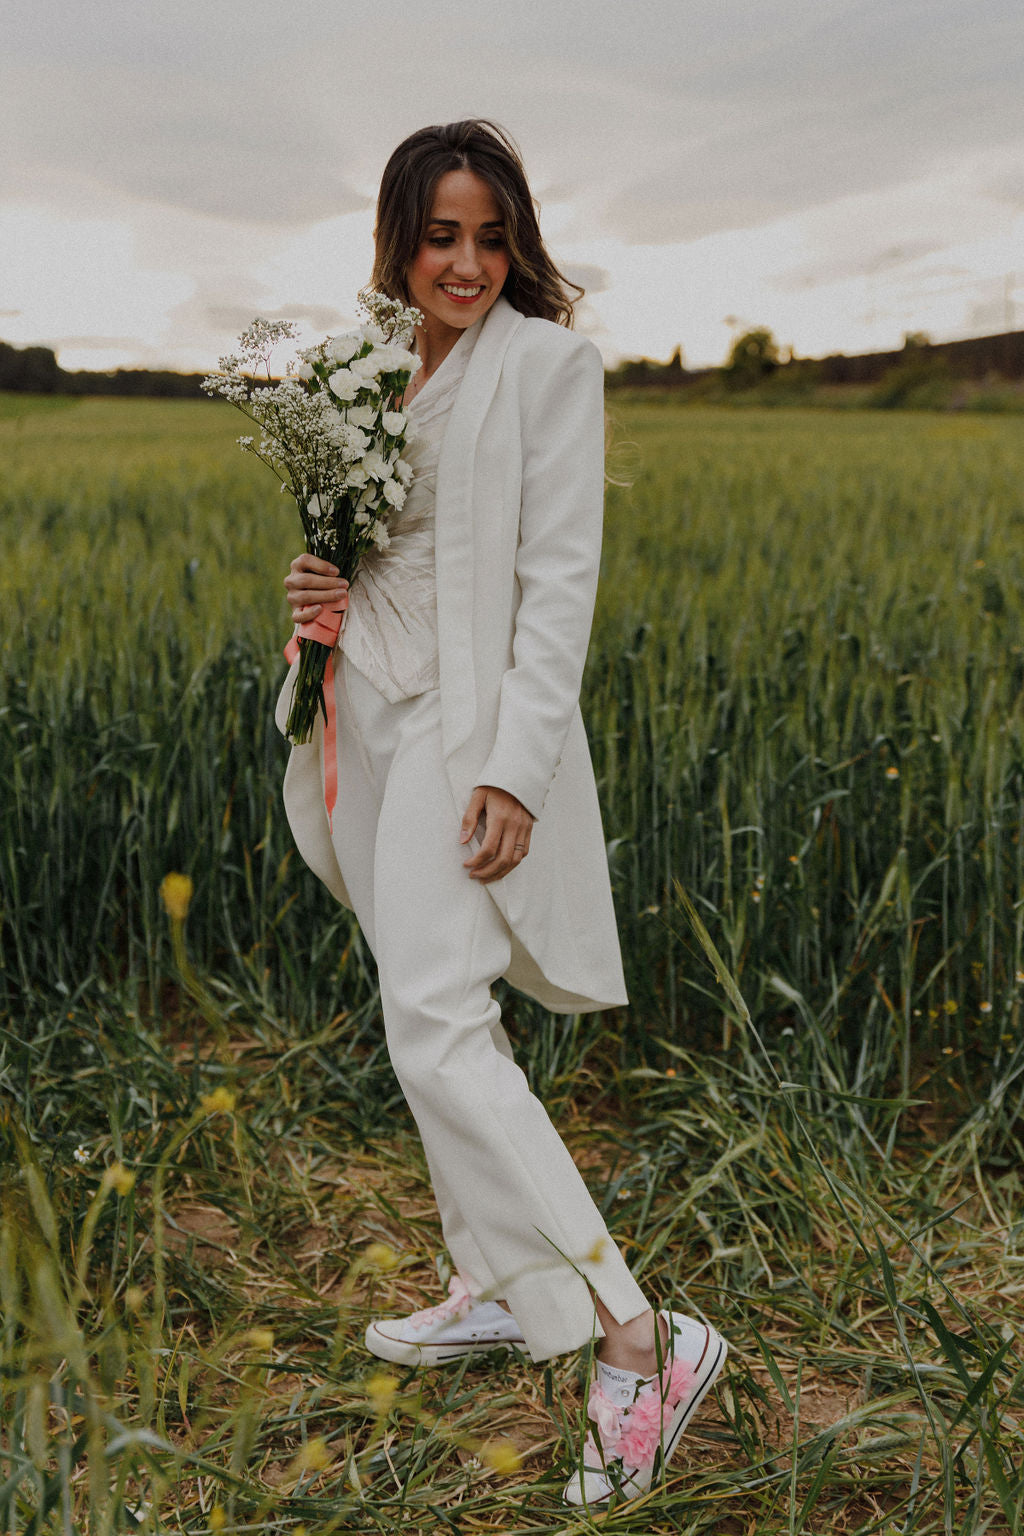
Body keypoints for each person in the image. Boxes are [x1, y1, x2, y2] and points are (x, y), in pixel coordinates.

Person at [276, 118, 726, 1506]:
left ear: (515, 237)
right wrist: (317, 600)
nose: (464, 262)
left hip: (469, 741)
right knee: (421, 1025)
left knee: (440, 1022)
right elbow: (378, 545)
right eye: (439, 234)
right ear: (399, 238)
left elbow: (555, 585)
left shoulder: (548, 363)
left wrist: (514, 775)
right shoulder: (364, 366)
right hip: (371, 713)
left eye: (488, 235)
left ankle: (641, 1337)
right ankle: (490, 1277)